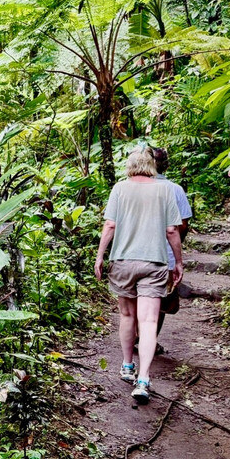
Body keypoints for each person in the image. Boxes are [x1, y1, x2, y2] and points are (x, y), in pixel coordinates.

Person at [94, 147, 184, 404]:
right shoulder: (164, 189)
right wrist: (178, 262)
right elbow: (171, 231)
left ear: (130, 165)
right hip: (153, 262)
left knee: (126, 315)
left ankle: (127, 365)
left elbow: (110, 225)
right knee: (147, 321)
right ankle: (143, 379)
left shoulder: (119, 189)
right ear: (152, 166)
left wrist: (100, 256)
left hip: (122, 261)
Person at [150, 146, 192, 347]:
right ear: (165, 165)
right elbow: (182, 225)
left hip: (133, 255)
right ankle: (150, 339)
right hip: (165, 256)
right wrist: (176, 251)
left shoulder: (128, 186)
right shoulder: (175, 189)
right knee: (159, 301)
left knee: (134, 298)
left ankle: (135, 336)